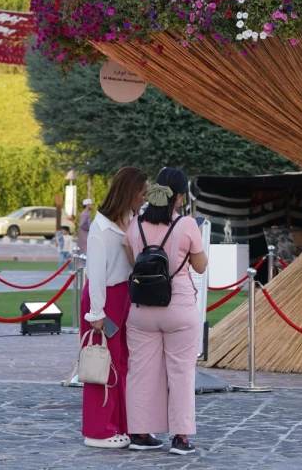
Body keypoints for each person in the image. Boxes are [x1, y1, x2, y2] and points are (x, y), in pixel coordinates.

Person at [123, 167, 207, 455]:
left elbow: (132, 260)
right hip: (178, 306)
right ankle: (180, 438)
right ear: (180, 196)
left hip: (142, 308)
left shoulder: (136, 225)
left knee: (141, 372)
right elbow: (200, 266)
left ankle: (140, 432)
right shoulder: (186, 225)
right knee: (181, 372)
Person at [81, 167, 145, 449]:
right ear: (130, 192)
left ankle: (120, 425)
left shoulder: (130, 221)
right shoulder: (100, 228)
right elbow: (94, 273)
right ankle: (99, 431)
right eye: (142, 193)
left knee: (121, 363)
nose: (144, 198)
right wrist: (97, 314)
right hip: (104, 301)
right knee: (102, 363)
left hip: (122, 297)